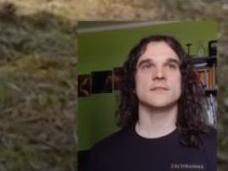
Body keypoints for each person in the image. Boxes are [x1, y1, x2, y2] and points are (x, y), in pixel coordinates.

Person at [86, 34, 217, 171]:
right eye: (147, 66)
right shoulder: (100, 155)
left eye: (170, 66)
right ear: (133, 82)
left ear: (183, 82)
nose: (159, 74)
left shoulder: (214, 146)